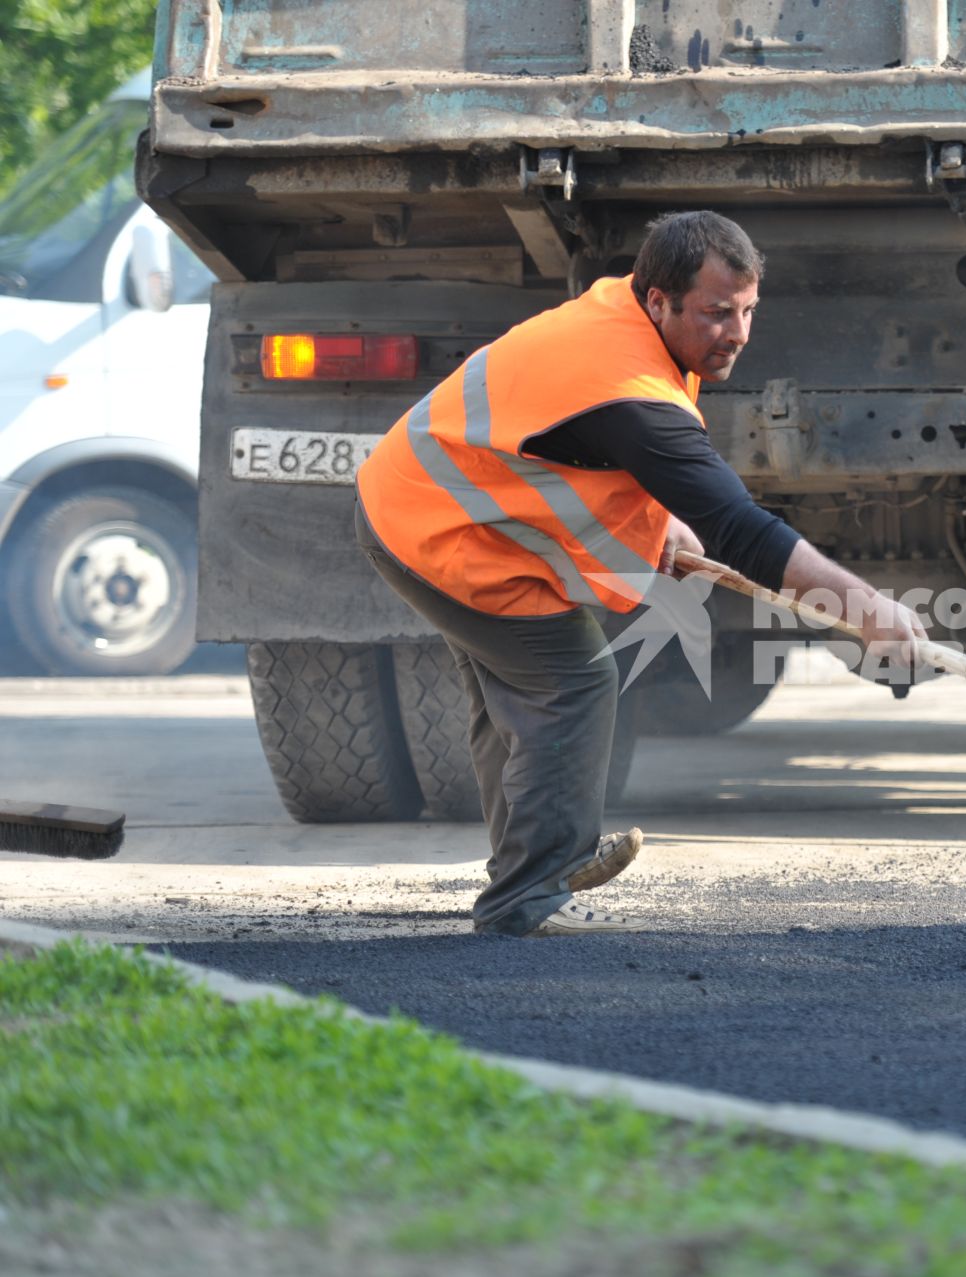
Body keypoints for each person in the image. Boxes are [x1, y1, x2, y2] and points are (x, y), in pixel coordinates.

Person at [353, 210, 925, 937]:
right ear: (660, 299)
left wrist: (662, 521)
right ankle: (527, 898)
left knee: (519, 696)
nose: (738, 333)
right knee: (571, 678)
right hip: (433, 528)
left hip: (423, 507)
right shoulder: (625, 384)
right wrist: (864, 606)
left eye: (748, 311)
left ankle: (525, 882)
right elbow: (742, 530)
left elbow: (584, 449)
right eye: (717, 313)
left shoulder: (624, 314)